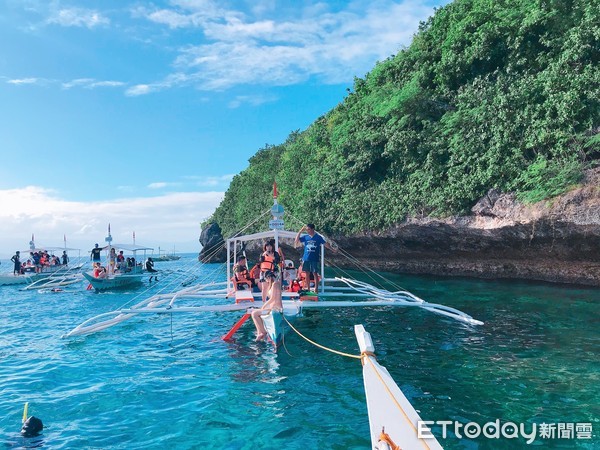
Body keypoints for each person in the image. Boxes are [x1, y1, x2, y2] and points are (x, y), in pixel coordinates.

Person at [294, 224, 335, 293]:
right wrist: (300, 231)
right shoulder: (306, 237)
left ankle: (316, 288)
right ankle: (308, 288)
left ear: (313, 229)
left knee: (315, 273)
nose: (307, 231)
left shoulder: (318, 237)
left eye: (308, 229)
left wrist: (332, 249)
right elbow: (296, 240)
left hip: (314, 258)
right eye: (306, 230)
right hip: (306, 258)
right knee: (307, 273)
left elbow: (326, 244)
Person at [251, 271, 283, 341]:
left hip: (276, 308)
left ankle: (262, 332)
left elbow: (272, 299)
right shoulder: (271, 285)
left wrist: (263, 307)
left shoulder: (276, 284)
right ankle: (260, 331)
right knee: (255, 312)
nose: (266, 281)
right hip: (272, 307)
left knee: (254, 314)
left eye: (266, 279)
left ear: (268, 277)